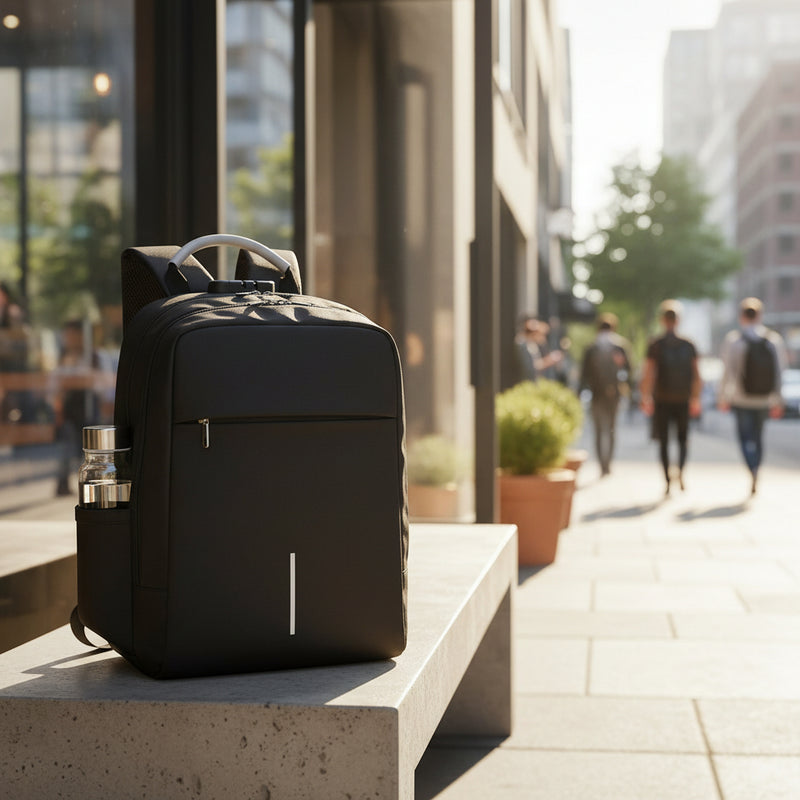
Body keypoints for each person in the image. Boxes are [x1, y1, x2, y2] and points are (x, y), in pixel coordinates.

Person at [717, 297, 787, 495]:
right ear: (760, 315)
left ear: (741, 316)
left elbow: (727, 372)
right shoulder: (773, 340)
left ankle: (751, 467)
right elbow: (779, 373)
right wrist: (778, 400)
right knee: (758, 437)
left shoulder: (734, 340)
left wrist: (722, 396)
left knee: (744, 437)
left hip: (740, 399)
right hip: (764, 400)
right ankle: (757, 467)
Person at [639, 301, 702, 495]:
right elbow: (697, 375)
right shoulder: (689, 344)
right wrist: (696, 398)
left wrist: (645, 397)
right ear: (678, 320)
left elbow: (648, 373)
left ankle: (667, 480)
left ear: (662, 320)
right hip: (683, 399)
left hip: (662, 399)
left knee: (664, 441)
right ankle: (680, 472)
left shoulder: (655, 344)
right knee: (683, 440)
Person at [580, 312, 632, 476]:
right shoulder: (620, 346)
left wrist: (578, 393)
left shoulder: (592, 347)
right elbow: (630, 371)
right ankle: (607, 464)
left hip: (596, 393)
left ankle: (603, 464)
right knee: (611, 429)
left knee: (598, 430)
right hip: (613, 394)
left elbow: (584, 374)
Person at [515, 316, 563, 382]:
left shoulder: (532, 345)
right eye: (541, 334)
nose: (543, 338)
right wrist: (549, 360)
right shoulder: (523, 344)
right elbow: (531, 366)